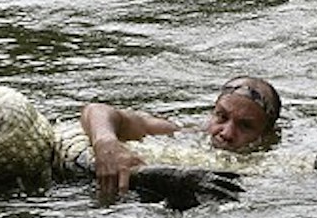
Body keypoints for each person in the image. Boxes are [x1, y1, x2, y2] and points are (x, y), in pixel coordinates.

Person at [80, 76, 281, 198]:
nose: (226, 133)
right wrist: (106, 143)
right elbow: (97, 110)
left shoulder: (272, 167)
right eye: (222, 116)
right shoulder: (181, 134)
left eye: (245, 126)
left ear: (267, 137)